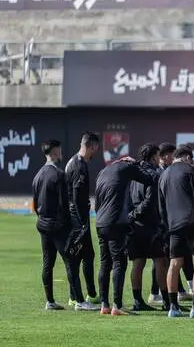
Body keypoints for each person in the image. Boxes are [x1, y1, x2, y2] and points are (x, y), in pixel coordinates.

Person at [32, 140, 93, 311]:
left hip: (43, 225)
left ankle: (50, 301)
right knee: (71, 262)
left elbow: (35, 204)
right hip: (58, 226)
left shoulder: (37, 176)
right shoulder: (59, 175)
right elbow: (64, 205)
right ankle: (79, 301)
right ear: (56, 151)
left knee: (47, 263)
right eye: (59, 150)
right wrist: (71, 227)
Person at [159, 145, 194, 319]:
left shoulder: (164, 174)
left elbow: (161, 206)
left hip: (173, 225)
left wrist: (167, 227)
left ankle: (173, 307)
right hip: (193, 223)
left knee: (175, 264)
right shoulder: (190, 169)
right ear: (187, 158)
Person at [95, 155, 154, 316]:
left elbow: (98, 201)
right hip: (116, 223)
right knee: (119, 263)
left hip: (100, 222)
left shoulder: (104, 171)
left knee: (105, 264)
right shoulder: (127, 167)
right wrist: (137, 164)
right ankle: (117, 305)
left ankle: (104, 305)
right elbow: (149, 178)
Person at [128, 143, 169, 312]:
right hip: (150, 224)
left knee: (138, 262)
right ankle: (167, 301)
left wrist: (130, 215)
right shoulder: (154, 174)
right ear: (153, 157)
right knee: (161, 261)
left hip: (134, 225)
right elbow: (150, 202)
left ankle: (138, 300)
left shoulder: (132, 172)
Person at [65, 131, 100, 306]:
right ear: (91, 146)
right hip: (77, 220)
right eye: (96, 149)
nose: (96, 153)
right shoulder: (79, 167)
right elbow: (77, 198)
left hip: (75, 217)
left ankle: (82, 294)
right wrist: (82, 224)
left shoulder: (73, 161)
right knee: (79, 257)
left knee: (86, 255)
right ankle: (83, 296)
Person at [148, 142, 176, 305]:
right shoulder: (159, 172)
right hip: (160, 221)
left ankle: (162, 291)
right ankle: (155, 292)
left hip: (164, 220)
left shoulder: (163, 170)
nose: (173, 157)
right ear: (165, 156)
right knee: (159, 259)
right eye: (172, 154)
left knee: (163, 258)